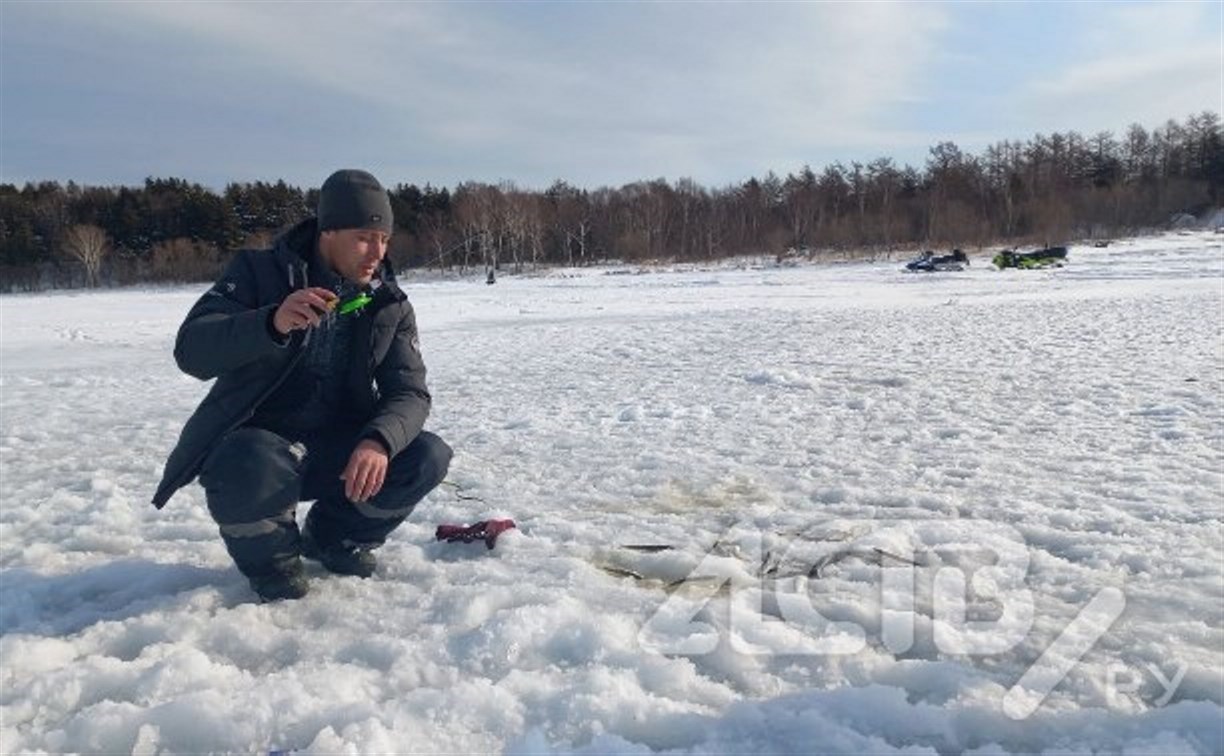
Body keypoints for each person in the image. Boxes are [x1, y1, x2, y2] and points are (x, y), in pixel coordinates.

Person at [152, 169, 452, 602]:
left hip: (341, 451)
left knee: (426, 455)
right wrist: (269, 323)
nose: (377, 253)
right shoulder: (257, 272)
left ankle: (335, 537)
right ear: (328, 231)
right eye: (364, 238)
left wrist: (379, 441)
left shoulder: (389, 303)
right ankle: (273, 562)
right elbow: (192, 350)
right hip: (263, 450)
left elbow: (410, 392)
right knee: (245, 459)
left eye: (384, 239)